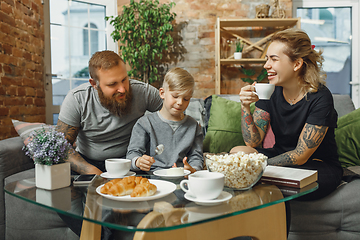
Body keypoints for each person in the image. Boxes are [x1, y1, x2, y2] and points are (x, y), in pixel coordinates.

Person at [231, 28, 343, 201]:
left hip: (317, 165)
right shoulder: (270, 91)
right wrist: (245, 107)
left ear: (297, 64)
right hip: (279, 156)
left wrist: (258, 166)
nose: (266, 65)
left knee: (274, 180)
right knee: (237, 151)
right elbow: (253, 142)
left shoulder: (320, 96)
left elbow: (300, 155)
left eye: (274, 59)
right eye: (267, 59)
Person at [56, 50, 163, 175]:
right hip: (88, 164)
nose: (122, 89)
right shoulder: (77, 99)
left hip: (131, 162)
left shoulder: (144, 92)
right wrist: (92, 172)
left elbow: (175, 115)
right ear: (94, 84)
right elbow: (61, 146)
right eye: (112, 84)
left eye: (124, 79)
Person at [126, 67, 204, 173]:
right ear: (162, 93)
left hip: (181, 178)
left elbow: (196, 157)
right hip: (152, 179)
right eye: (175, 96)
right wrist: (138, 161)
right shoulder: (144, 123)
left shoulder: (194, 126)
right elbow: (132, 154)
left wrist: (193, 169)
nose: (180, 102)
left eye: (186, 99)